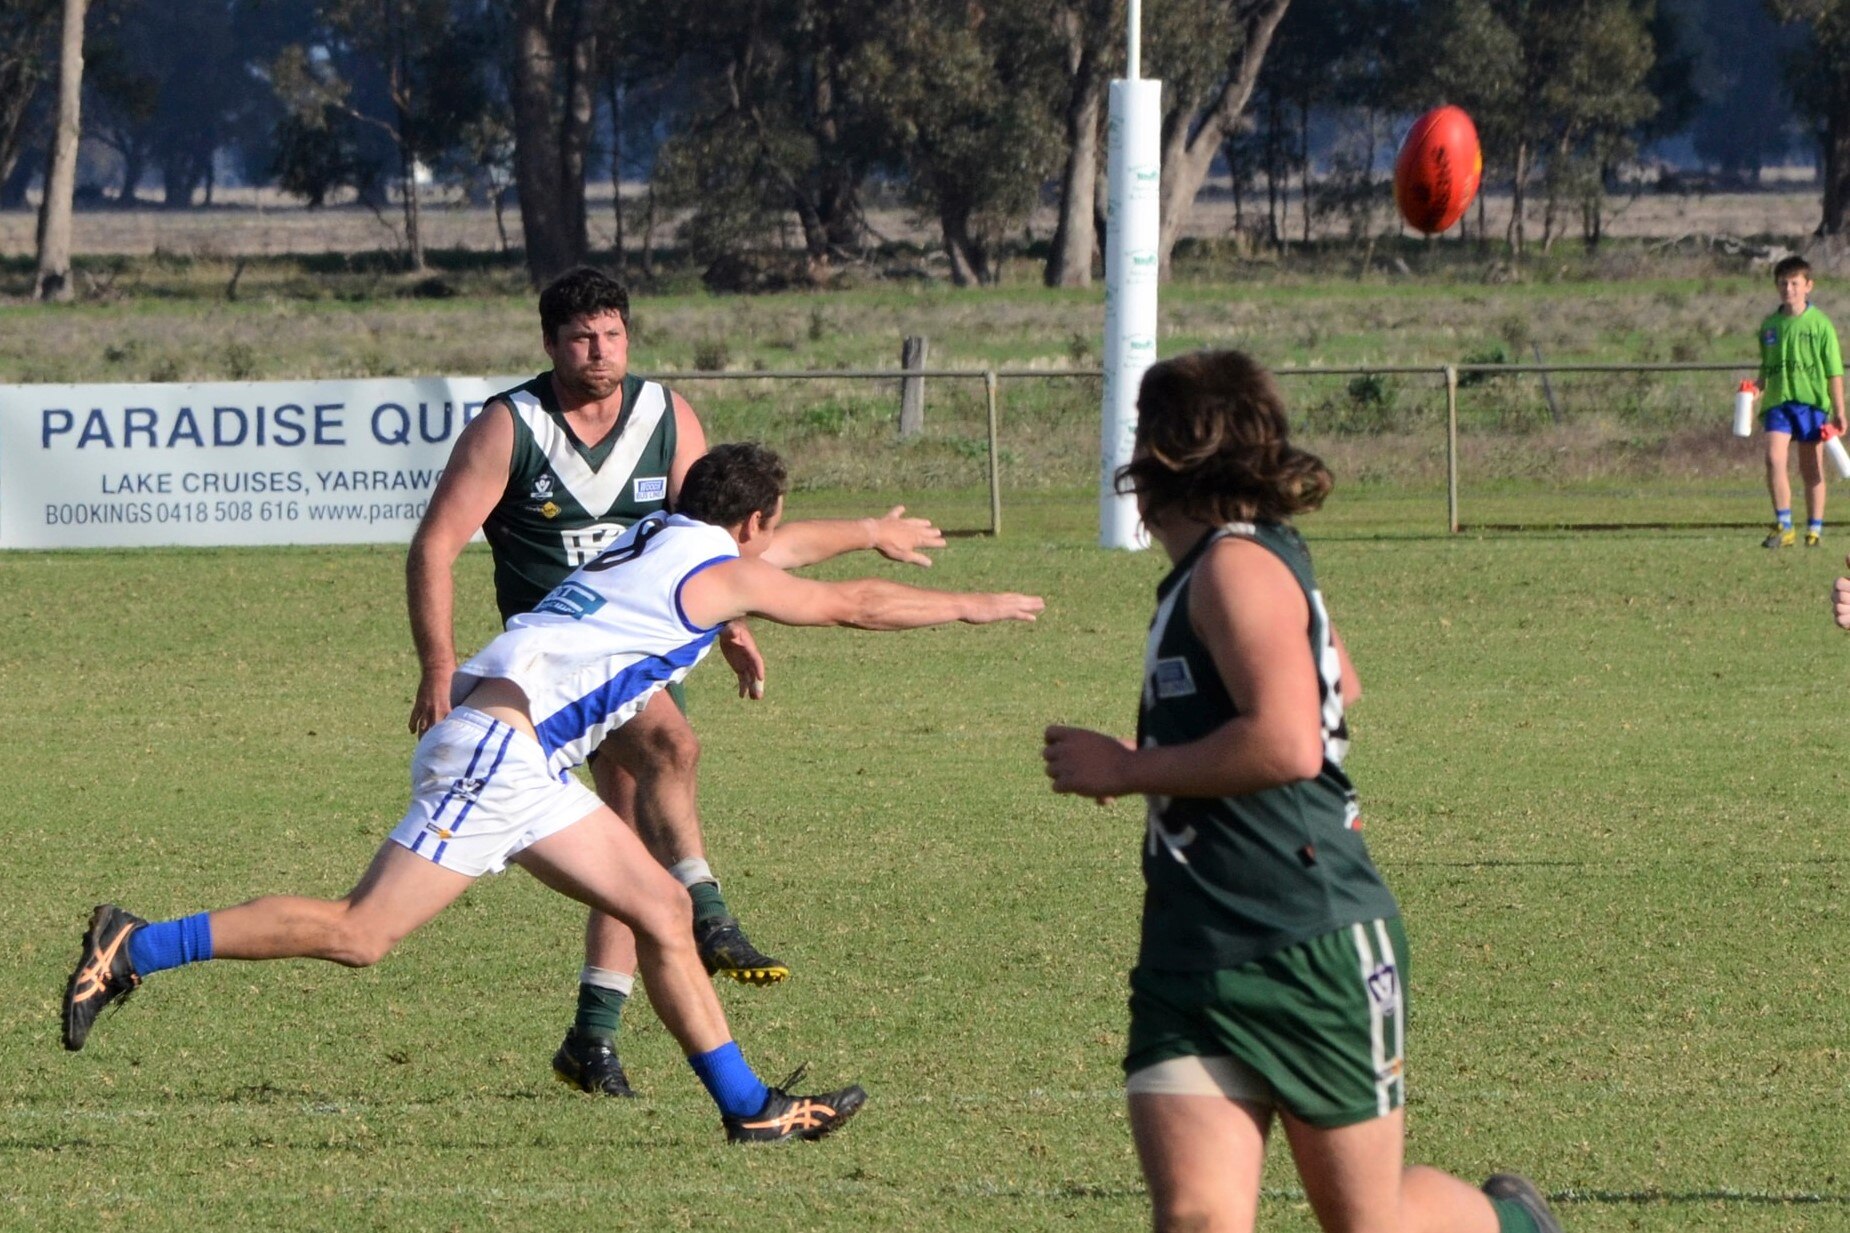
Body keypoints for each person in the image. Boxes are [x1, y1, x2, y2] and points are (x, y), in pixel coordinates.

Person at [63, 442, 1043, 1145]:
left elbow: (784, 555)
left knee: (661, 907)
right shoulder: (715, 573)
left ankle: (750, 1107)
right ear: (748, 525)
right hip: (496, 754)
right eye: (765, 535)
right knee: (361, 934)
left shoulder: (659, 537)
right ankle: (134, 943)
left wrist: (867, 527)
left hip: (517, 755)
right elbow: (845, 605)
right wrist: (971, 604)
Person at [1040, 351, 1562, 1233]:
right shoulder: (1228, 564)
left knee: (1372, 1224)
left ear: (1168, 452)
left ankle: (1512, 1225)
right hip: (1191, 948)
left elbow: (1289, 740)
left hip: (1305, 942)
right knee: (1200, 1219)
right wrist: (1180, 745)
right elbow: (1336, 681)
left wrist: (1132, 768)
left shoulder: (1234, 568)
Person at [408, 266, 946, 1097]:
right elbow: (436, 545)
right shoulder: (509, 427)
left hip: (645, 649)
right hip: (553, 672)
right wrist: (438, 666)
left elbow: (715, 543)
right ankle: (711, 914)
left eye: (614, 333)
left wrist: (728, 623)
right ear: (550, 343)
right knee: (672, 746)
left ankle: (594, 1035)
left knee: (625, 830)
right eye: (583, 337)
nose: (601, 350)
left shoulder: (667, 415)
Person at [1751, 254, 1846, 549]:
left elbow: (1833, 372)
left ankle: (1814, 528)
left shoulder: (1820, 325)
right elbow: (1766, 369)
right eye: (1783, 283)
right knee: (1773, 459)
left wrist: (1839, 411)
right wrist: (1755, 389)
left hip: (1811, 406)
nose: (1788, 289)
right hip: (1779, 404)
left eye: (1794, 283)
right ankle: (1785, 524)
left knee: (1811, 468)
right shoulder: (1770, 325)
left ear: (1808, 286)